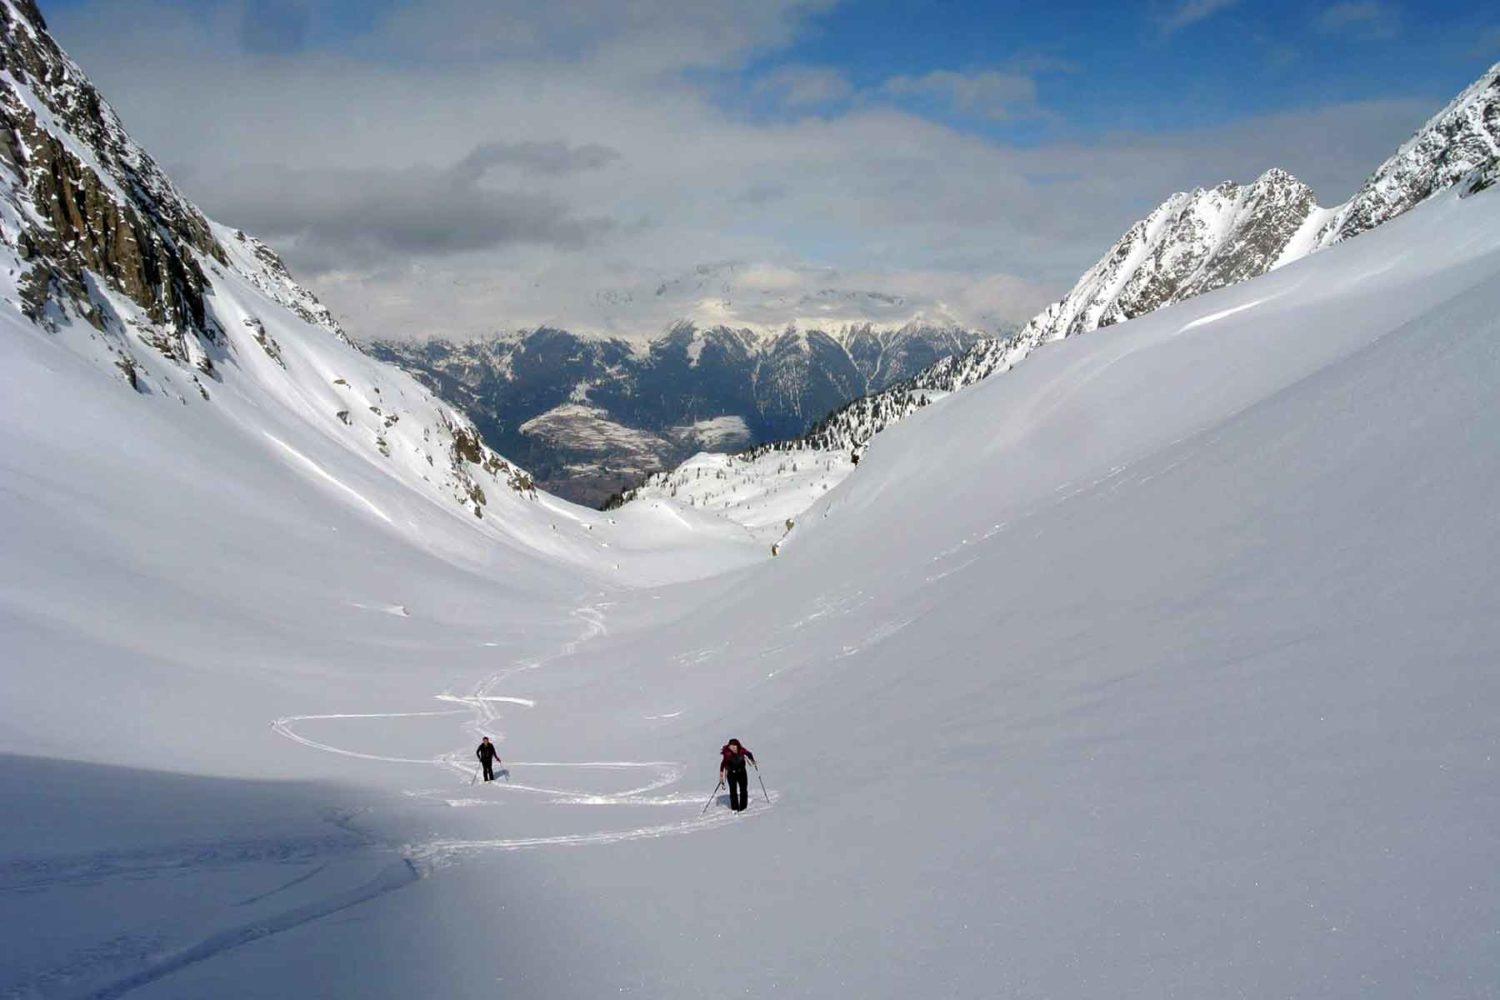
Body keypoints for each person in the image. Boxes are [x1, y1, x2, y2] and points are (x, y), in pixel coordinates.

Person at [719, 738, 757, 812]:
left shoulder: (741, 750)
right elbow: (723, 764)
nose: (732, 748)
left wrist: (752, 760)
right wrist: (721, 775)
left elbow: (749, 754)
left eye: (734, 746)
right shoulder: (727, 753)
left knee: (743, 789)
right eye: (731, 746)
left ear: (737, 746)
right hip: (731, 774)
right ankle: (735, 808)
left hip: (742, 772)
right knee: (733, 791)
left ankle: (743, 808)